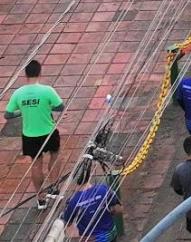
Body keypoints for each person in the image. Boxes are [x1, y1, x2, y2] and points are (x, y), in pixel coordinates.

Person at [6, 58, 64, 209]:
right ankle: (54, 187)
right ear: (40, 72)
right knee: (55, 154)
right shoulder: (47, 90)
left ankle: (41, 198)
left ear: (26, 75)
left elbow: (8, 114)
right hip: (48, 131)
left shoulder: (18, 93)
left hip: (29, 135)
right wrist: (46, 107)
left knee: (36, 164)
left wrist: (22, 111)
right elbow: (60, 107)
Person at [60, 172, 121, 241]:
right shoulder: (103, 189)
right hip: (110, 235)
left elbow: (68, 224)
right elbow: (118, 209)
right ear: (89, 176)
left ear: (74, 179)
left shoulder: (72, 201)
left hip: (91, 239)